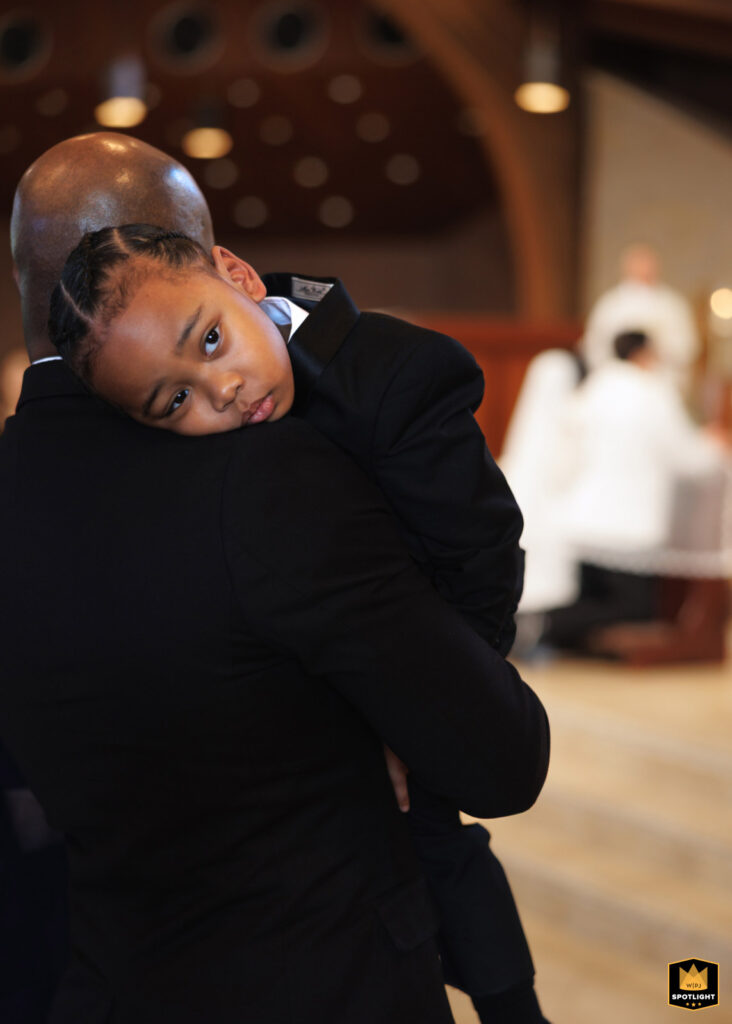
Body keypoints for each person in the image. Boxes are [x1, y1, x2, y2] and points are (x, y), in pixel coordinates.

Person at [2, 132, 550, 1023]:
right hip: (330, 980)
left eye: (209, 339)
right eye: (173, 395)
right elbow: (502, 759)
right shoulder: (264, 477)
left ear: (234, 272)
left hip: (100, 978)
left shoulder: (364, 383)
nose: (217, 394)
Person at [542, 330, 729, 652]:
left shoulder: (593, 389)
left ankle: (553, 635)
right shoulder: (651, 391)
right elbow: (683, 456)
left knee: (592, 598)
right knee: (635, 608)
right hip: (629, 523)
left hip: (582, 514)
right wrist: (716, 446)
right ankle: (540, 626)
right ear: (643, 355)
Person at [580, 243, 700, 392]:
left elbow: (687, 347)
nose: (643, 268)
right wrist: (625, 360)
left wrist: (652, 353)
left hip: (659, 376)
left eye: (647, 262)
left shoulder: (673, 305)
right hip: (617, 377)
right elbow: (595, 345)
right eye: (638, 263)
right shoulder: (609, 304)